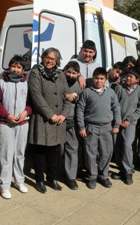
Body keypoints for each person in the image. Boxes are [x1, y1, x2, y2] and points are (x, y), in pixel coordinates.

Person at [28, 48, 71, 194]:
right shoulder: (36, 73)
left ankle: (52, 179)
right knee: (40, 150)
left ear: (57, 60)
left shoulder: (61, 74)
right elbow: (36, 97)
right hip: (43, 119)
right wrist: (51, 115)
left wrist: (64, 114)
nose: (49, 61)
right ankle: (39, 179)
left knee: (54, 151)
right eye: (47, 57)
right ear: (43, 58)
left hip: (59, 119)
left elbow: (67, 95)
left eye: (53, 58)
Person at [76, 67, 121, 189]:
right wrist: (81, 127)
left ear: (105, 80)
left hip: (107, 127)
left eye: (101, 79)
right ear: (93, 79)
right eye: (96, 78)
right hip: (91, 127)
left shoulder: (111, 92)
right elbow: (80, 110)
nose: (98, 81)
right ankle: (92, 176)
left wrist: (116, 125)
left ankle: (103, 176)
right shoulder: (86, 92)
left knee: (106, 153)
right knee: (91, 153)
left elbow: (116, 108)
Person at [0, 55, 32, 199]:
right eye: (13, 66)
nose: (16, 69)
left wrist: (25, 113)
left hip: (23, 123)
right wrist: (7, 115)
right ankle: (4, 185)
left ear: (23, 70)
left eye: (19, 67)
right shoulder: (1, 81)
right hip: (6, 123)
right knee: (6, 154)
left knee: (19, 154)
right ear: (9, 66)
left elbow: (30, 103)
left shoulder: (26, 82)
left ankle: (19, 181)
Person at [112, 67, 140, 184]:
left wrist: (129, 120)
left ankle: (128, 171)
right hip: (117, 121)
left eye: (131, 77)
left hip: (130, 123)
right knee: (118, 146)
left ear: (137, 79)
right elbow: (114, 103)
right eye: (127, 76)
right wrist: (118, 118)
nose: (128, 78)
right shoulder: (119, 88)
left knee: (127, 145)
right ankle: (121, 169)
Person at [62, 61, 83, 190]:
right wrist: (66, 96)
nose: (71, 75)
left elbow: (83, 102)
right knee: (58, 149)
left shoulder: (80, 84)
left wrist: (76, 98)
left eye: (74, 73)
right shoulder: (59, 81)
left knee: (72, 148)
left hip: (73, 120)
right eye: (68, 72)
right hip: (59, 119)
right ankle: (58, 172)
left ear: (78, 74)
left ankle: (71, 177)